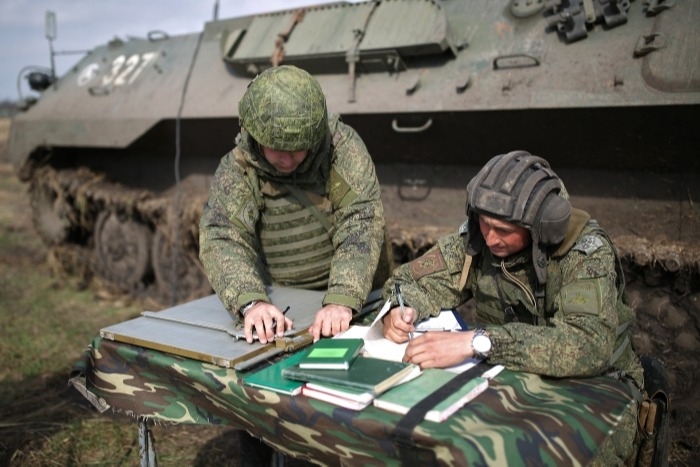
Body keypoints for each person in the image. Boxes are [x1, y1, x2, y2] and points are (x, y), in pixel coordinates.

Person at [381, 150, 644, 466]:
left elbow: (588, 345)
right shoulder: (477, 237)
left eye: (503, 230)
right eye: (484, 222)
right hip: (512, 375)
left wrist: (477, 343)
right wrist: (401, 308)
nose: (490, 238)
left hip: (598, 384)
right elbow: (409, 280)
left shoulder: (584, 254)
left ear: (540, 226)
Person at [199, 65, 389, 345]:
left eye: (297, 149)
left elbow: (360, 220)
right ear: (254, 135)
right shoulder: (238, 168)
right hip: (282, 304)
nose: (287, 161)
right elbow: (222, 236)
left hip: (354, 300)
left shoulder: (340, 148)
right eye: (276, 149)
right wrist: (252, 302)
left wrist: (342, 298)